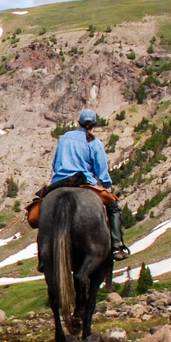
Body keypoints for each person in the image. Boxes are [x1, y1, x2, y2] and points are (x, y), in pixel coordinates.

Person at [39, 109, 129, 259]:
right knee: (114, 207)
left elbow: (55, 163)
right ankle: (116, 246)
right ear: (93, 125)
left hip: (60, 182)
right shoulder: (94, 142)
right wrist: (107, 186)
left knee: (42, 208)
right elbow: (101, 170)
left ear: (78, 122)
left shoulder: (65, 138)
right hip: (86, 183)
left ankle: (43, 257)